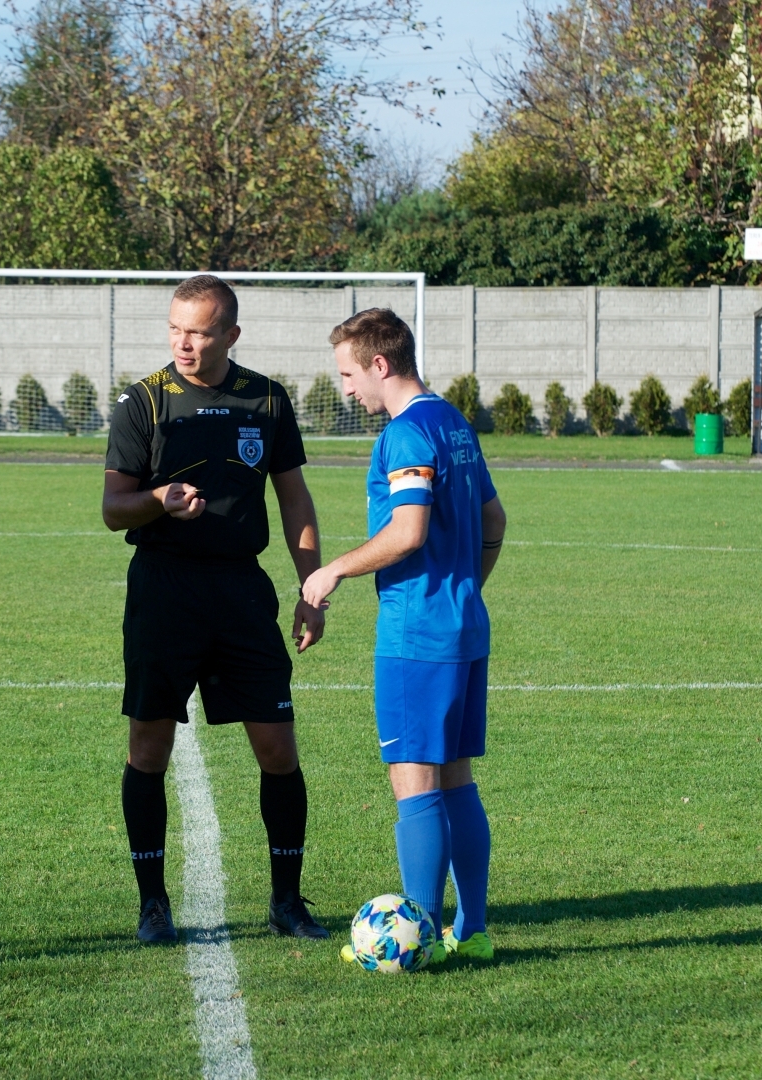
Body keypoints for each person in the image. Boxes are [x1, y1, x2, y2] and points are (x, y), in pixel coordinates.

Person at [102, 274, 329, 945]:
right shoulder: (143, 402)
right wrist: (159, 500)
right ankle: (152, 904)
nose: (184, 343)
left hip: (240, 593)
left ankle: (286, 902)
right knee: (149, 747)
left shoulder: (267, 398)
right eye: (176, 329)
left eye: (199, 332)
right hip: (163, 590)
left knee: (278, 748)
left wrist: (310, 588)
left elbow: (294, 499)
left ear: (230, 334)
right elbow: (113, 508)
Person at [301, 308, 506, 966]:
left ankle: (416, 941)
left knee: (414, 779)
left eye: (347, 375)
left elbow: (408, 531)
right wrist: (463, 586)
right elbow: (494, 521)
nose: (346, 389)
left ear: (379, 365)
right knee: (456, 779)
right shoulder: (453, 422)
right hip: (462, 627)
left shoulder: (406, 432)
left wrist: (333, 569)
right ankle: (471, 931)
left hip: (416, 635)